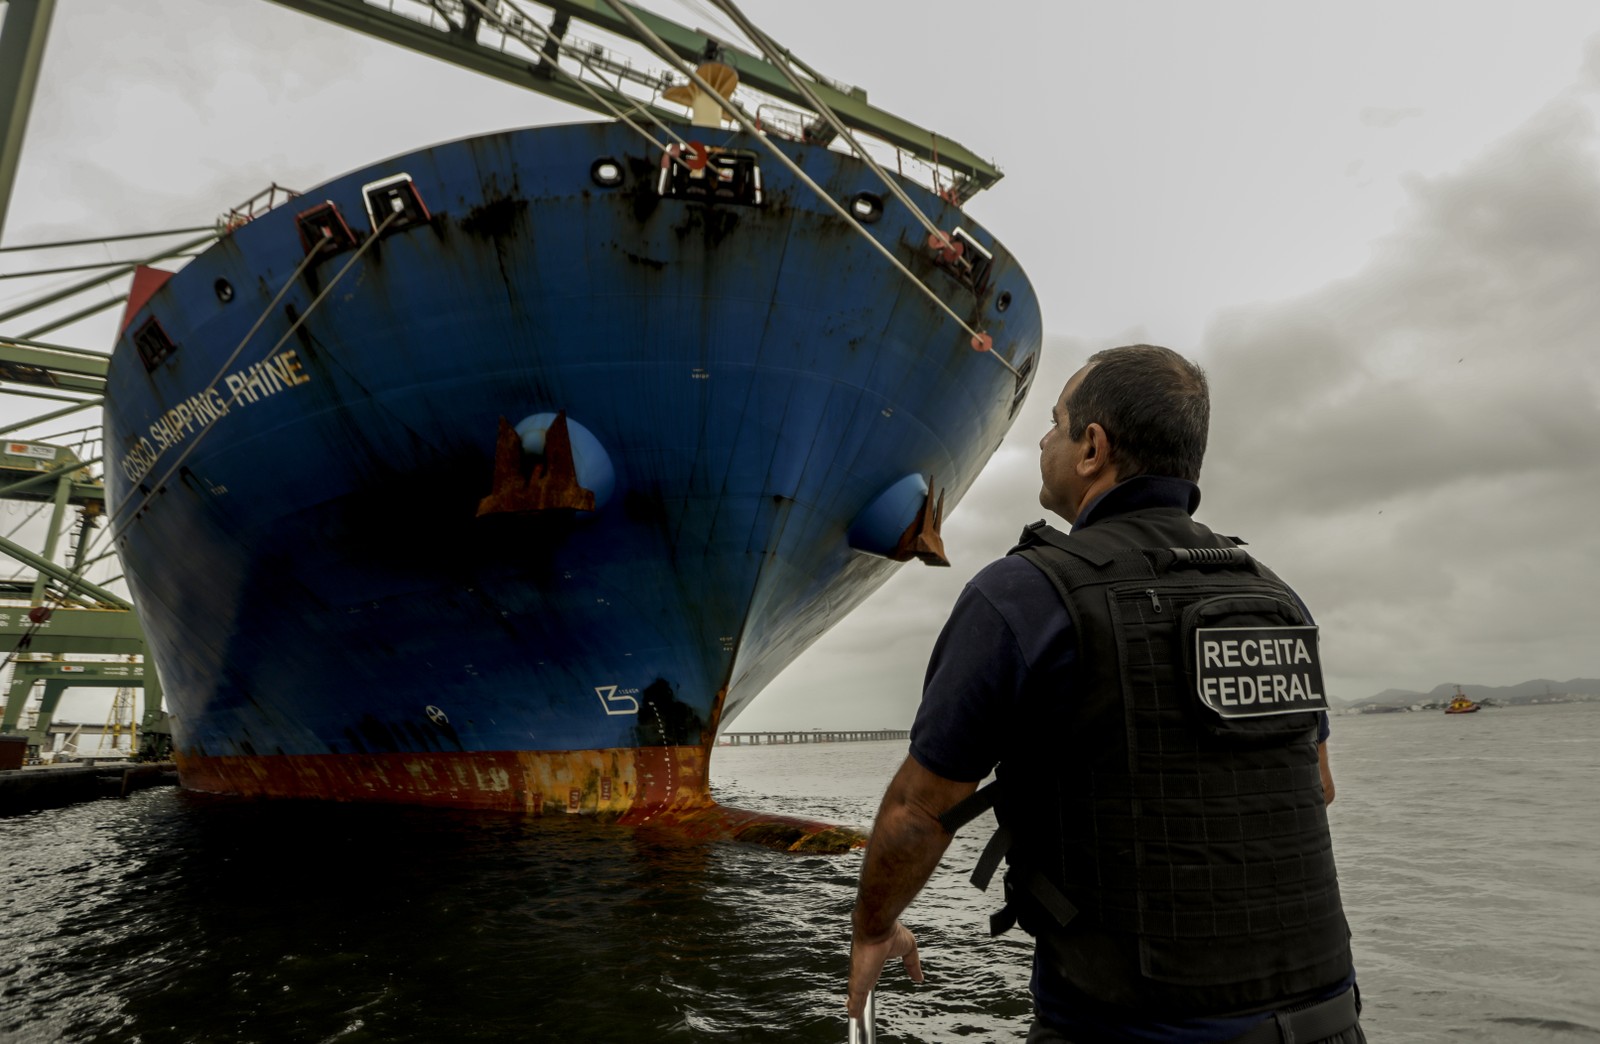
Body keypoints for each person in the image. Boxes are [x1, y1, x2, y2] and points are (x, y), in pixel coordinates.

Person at [847, 345, 1363, 1042]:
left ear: (1093, 447)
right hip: (1326, 1016)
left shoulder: (1026, 592)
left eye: (1055, 424)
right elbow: (1316, 784)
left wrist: (873, 928)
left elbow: (919, 811)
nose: (1042, 441)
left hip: (1130, 1023)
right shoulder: (1274, 596)